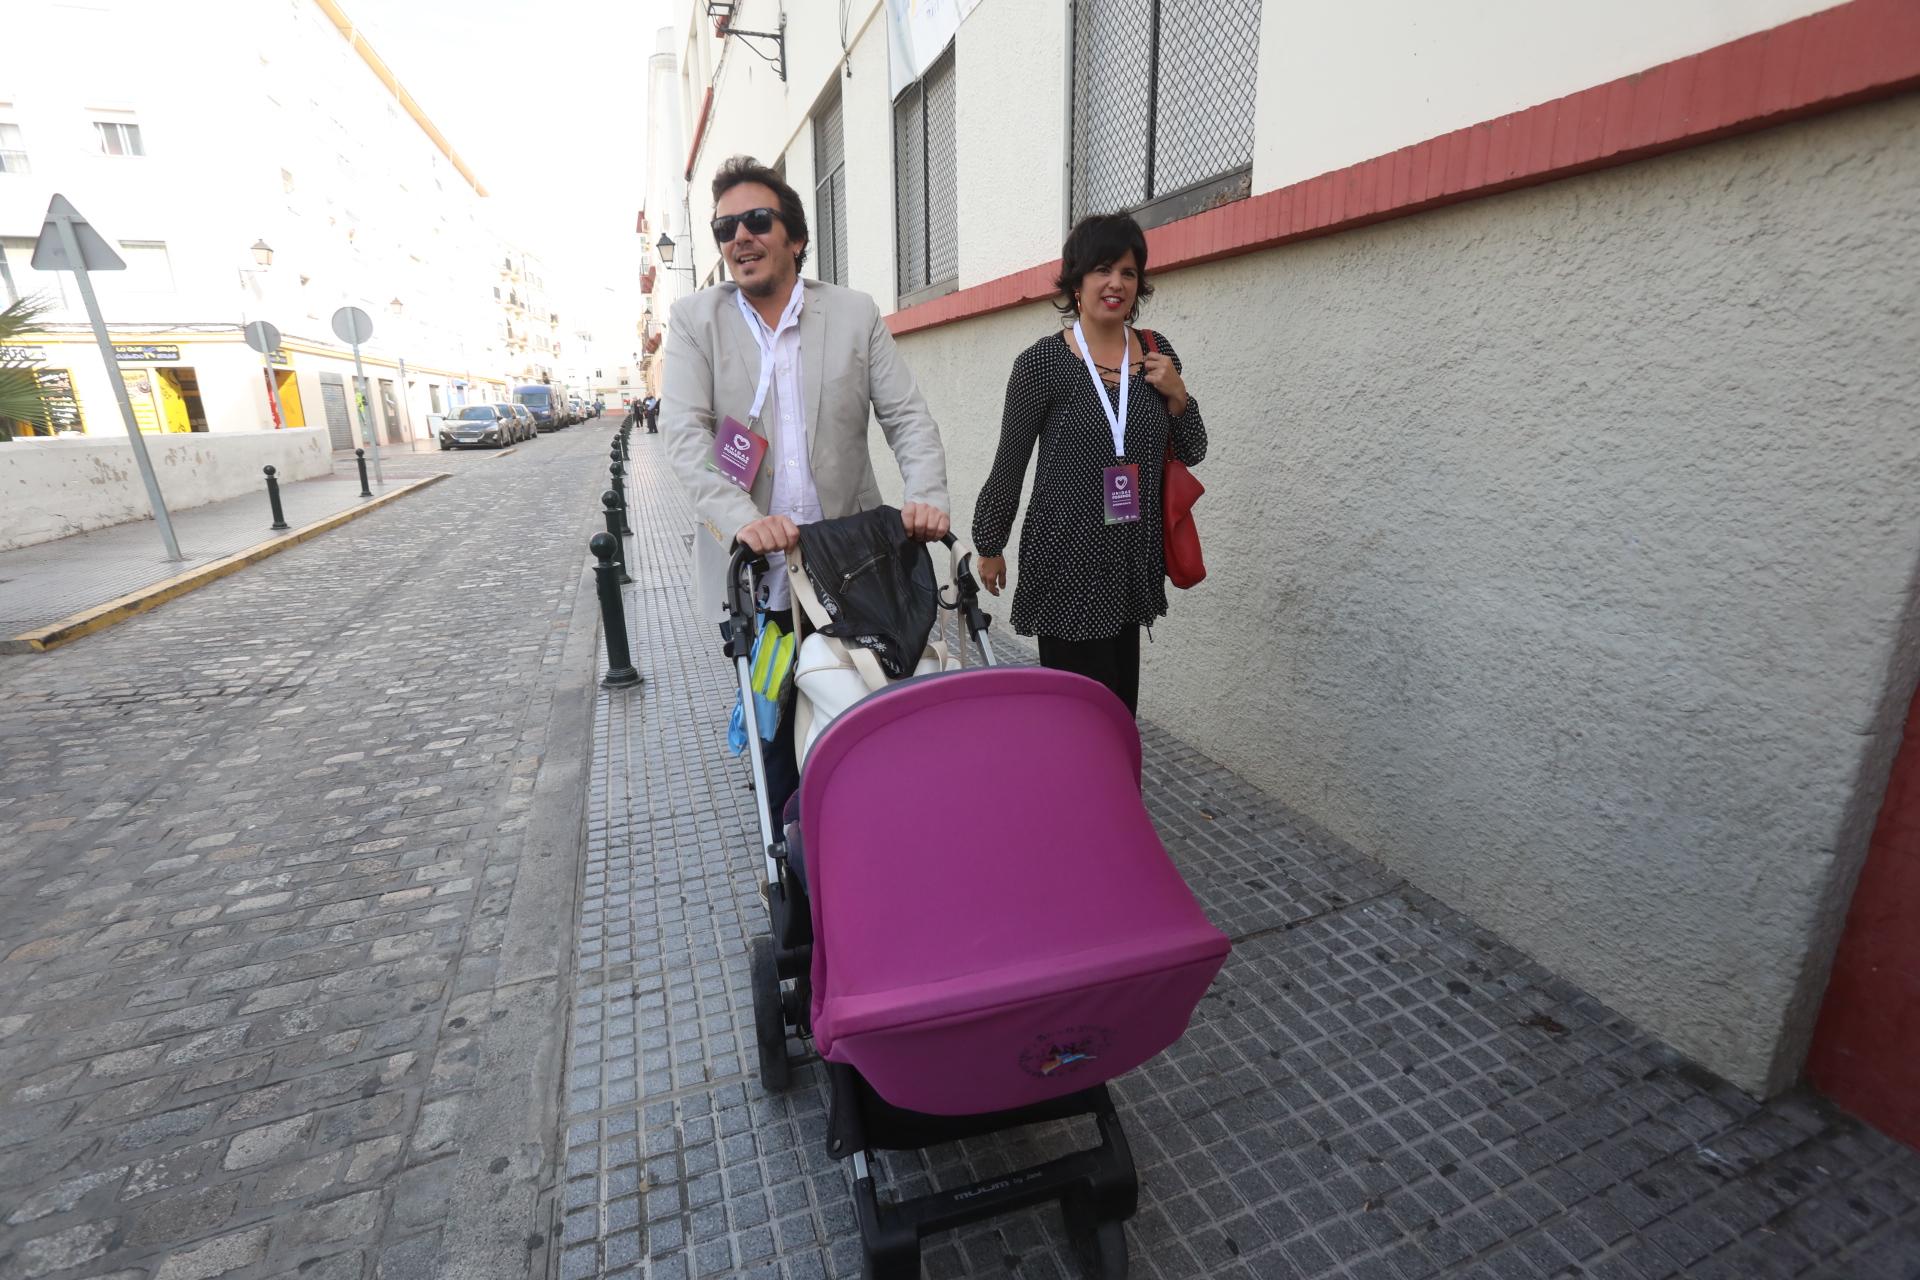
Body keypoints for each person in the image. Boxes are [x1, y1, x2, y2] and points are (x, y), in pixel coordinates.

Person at [664, 154, 950, 814]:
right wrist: (743, 518)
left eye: (757, 220)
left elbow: (906, 415)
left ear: (794, 237)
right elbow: (685, 434)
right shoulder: (695, 322)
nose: (740, 237)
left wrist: (926, 499)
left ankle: (880, 849)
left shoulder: (852, 314)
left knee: (871, 728)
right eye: (725, 227)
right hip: (759, 583)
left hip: (852, 572)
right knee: (779, 746)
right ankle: (800, 882)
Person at [971, 212, 1206, 717]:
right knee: (1076, 717)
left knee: (1120, 710)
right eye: (1102, 269)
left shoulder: (1157, 354)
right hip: (1065, 565)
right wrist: (990, 544)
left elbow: (1193, 450)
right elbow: (1010, 463)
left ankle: (1117, 796)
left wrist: (1178, 395)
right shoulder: (1042, 364)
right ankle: (1073, 796)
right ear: (1076, 282)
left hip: (1130, 562)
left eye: (1127, 271)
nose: (1116, 283)